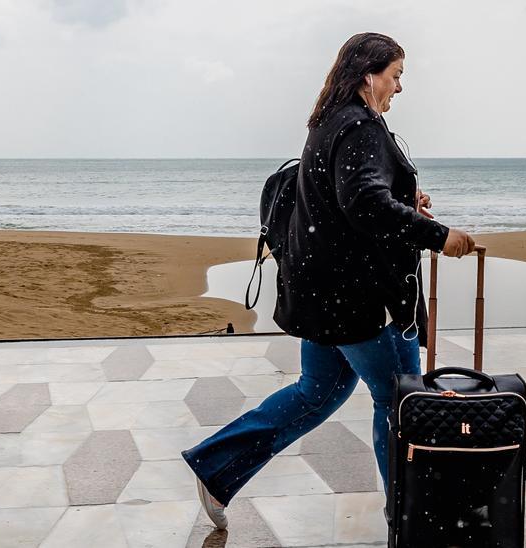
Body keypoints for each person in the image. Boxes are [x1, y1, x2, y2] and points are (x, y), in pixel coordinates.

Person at [182, 32, 476, 530]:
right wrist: (437, 234)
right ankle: (410, 518)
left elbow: (348, 199)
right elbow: (362, 203)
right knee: (401, 402)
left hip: (323, 296)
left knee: (315, 393)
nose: (400, 88)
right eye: (396, 75)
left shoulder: (329, 122)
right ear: (369, 75)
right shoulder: (359, 126)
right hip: (360, 300)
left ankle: (216, 467)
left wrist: (406, 198)